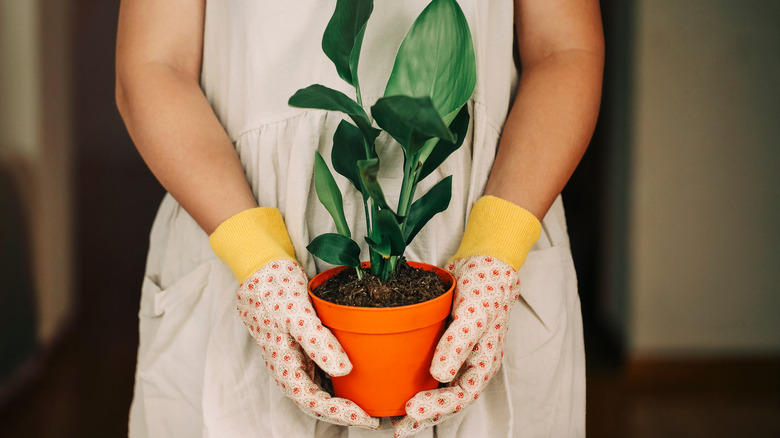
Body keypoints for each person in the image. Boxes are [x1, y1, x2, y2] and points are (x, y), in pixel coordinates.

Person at [115, 0, 603, 436]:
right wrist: (251, 252)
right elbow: (153, 63)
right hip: (228, 216)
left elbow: (565, 50)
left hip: (490, 226)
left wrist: (500, 242)